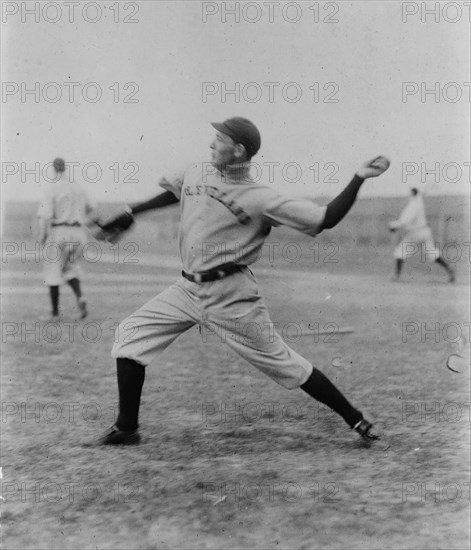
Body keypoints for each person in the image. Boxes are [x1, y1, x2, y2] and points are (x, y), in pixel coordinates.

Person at [95, 117, 390, 447]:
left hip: (232, 295)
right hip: (188, 289)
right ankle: (126, 429)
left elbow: (324, 219)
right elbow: (174, 193)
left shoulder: (261, 198)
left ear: (238, 150)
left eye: (218, 139)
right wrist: (132, 212)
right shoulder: (197, 171)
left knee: (284, 364)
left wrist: (358, 178)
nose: (211, 144)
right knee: (131, 335)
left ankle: (357, 420)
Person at [37, 157, 96, 321]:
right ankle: (80, 298)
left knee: (52, 271)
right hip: (78, 233)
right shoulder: (78, 187)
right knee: (70, 269)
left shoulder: (52, 187)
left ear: (54, 169)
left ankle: (55, 313)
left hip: (60, 231)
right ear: (65, 168)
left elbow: (45, 215)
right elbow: (90, 208)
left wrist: (42, 236)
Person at [388, 187, 455, 282]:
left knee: (400, 252)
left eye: (410, 194)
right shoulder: (419, 201)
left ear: (412, 194)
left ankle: (396, 276)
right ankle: (449, 268)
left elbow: (405, 220)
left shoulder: (413, 204)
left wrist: (393, 226)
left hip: (415, 233)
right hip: (425, 231)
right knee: (432, 253)